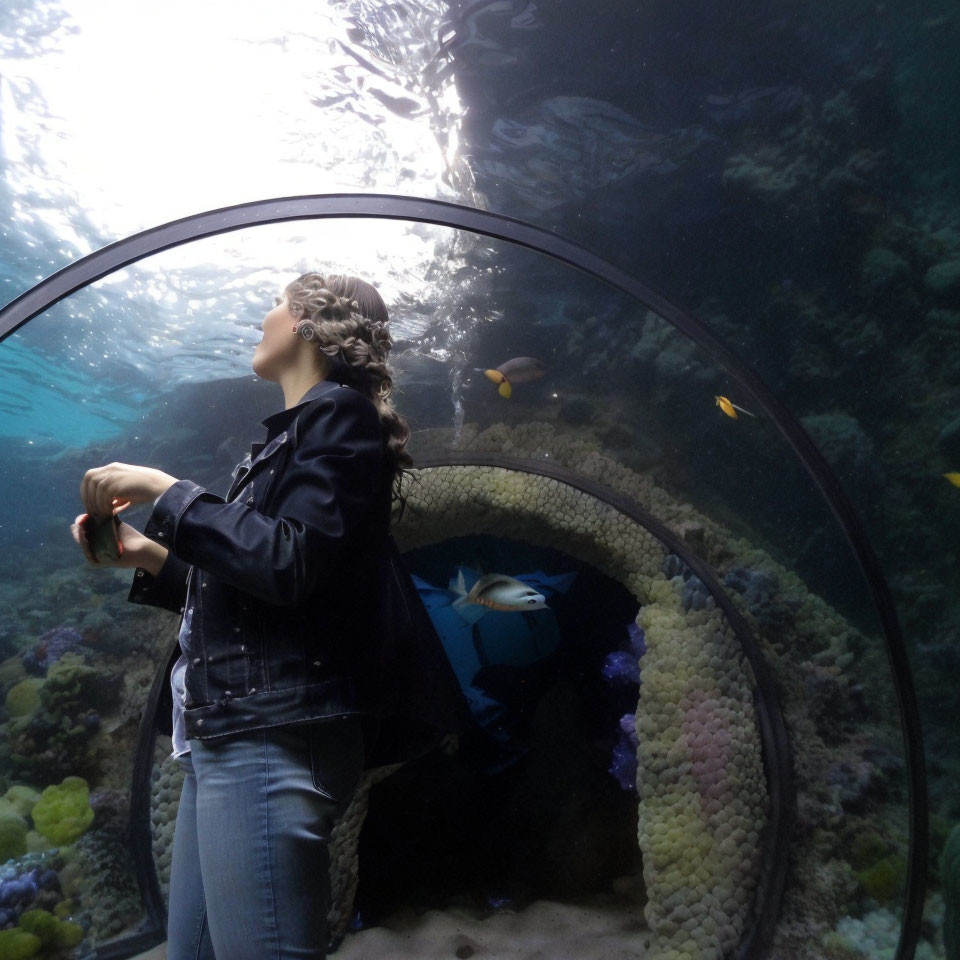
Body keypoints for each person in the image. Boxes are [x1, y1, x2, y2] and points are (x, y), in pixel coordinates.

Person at [71, 273, 470, 960]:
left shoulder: (337, 415)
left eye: (279, 304)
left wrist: (168, 492)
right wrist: (145, 556)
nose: (264, 315)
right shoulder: (286, 442)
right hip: (230, 733)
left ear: (310, 324)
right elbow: (265, 585)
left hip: (270, 733)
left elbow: (288, 562)